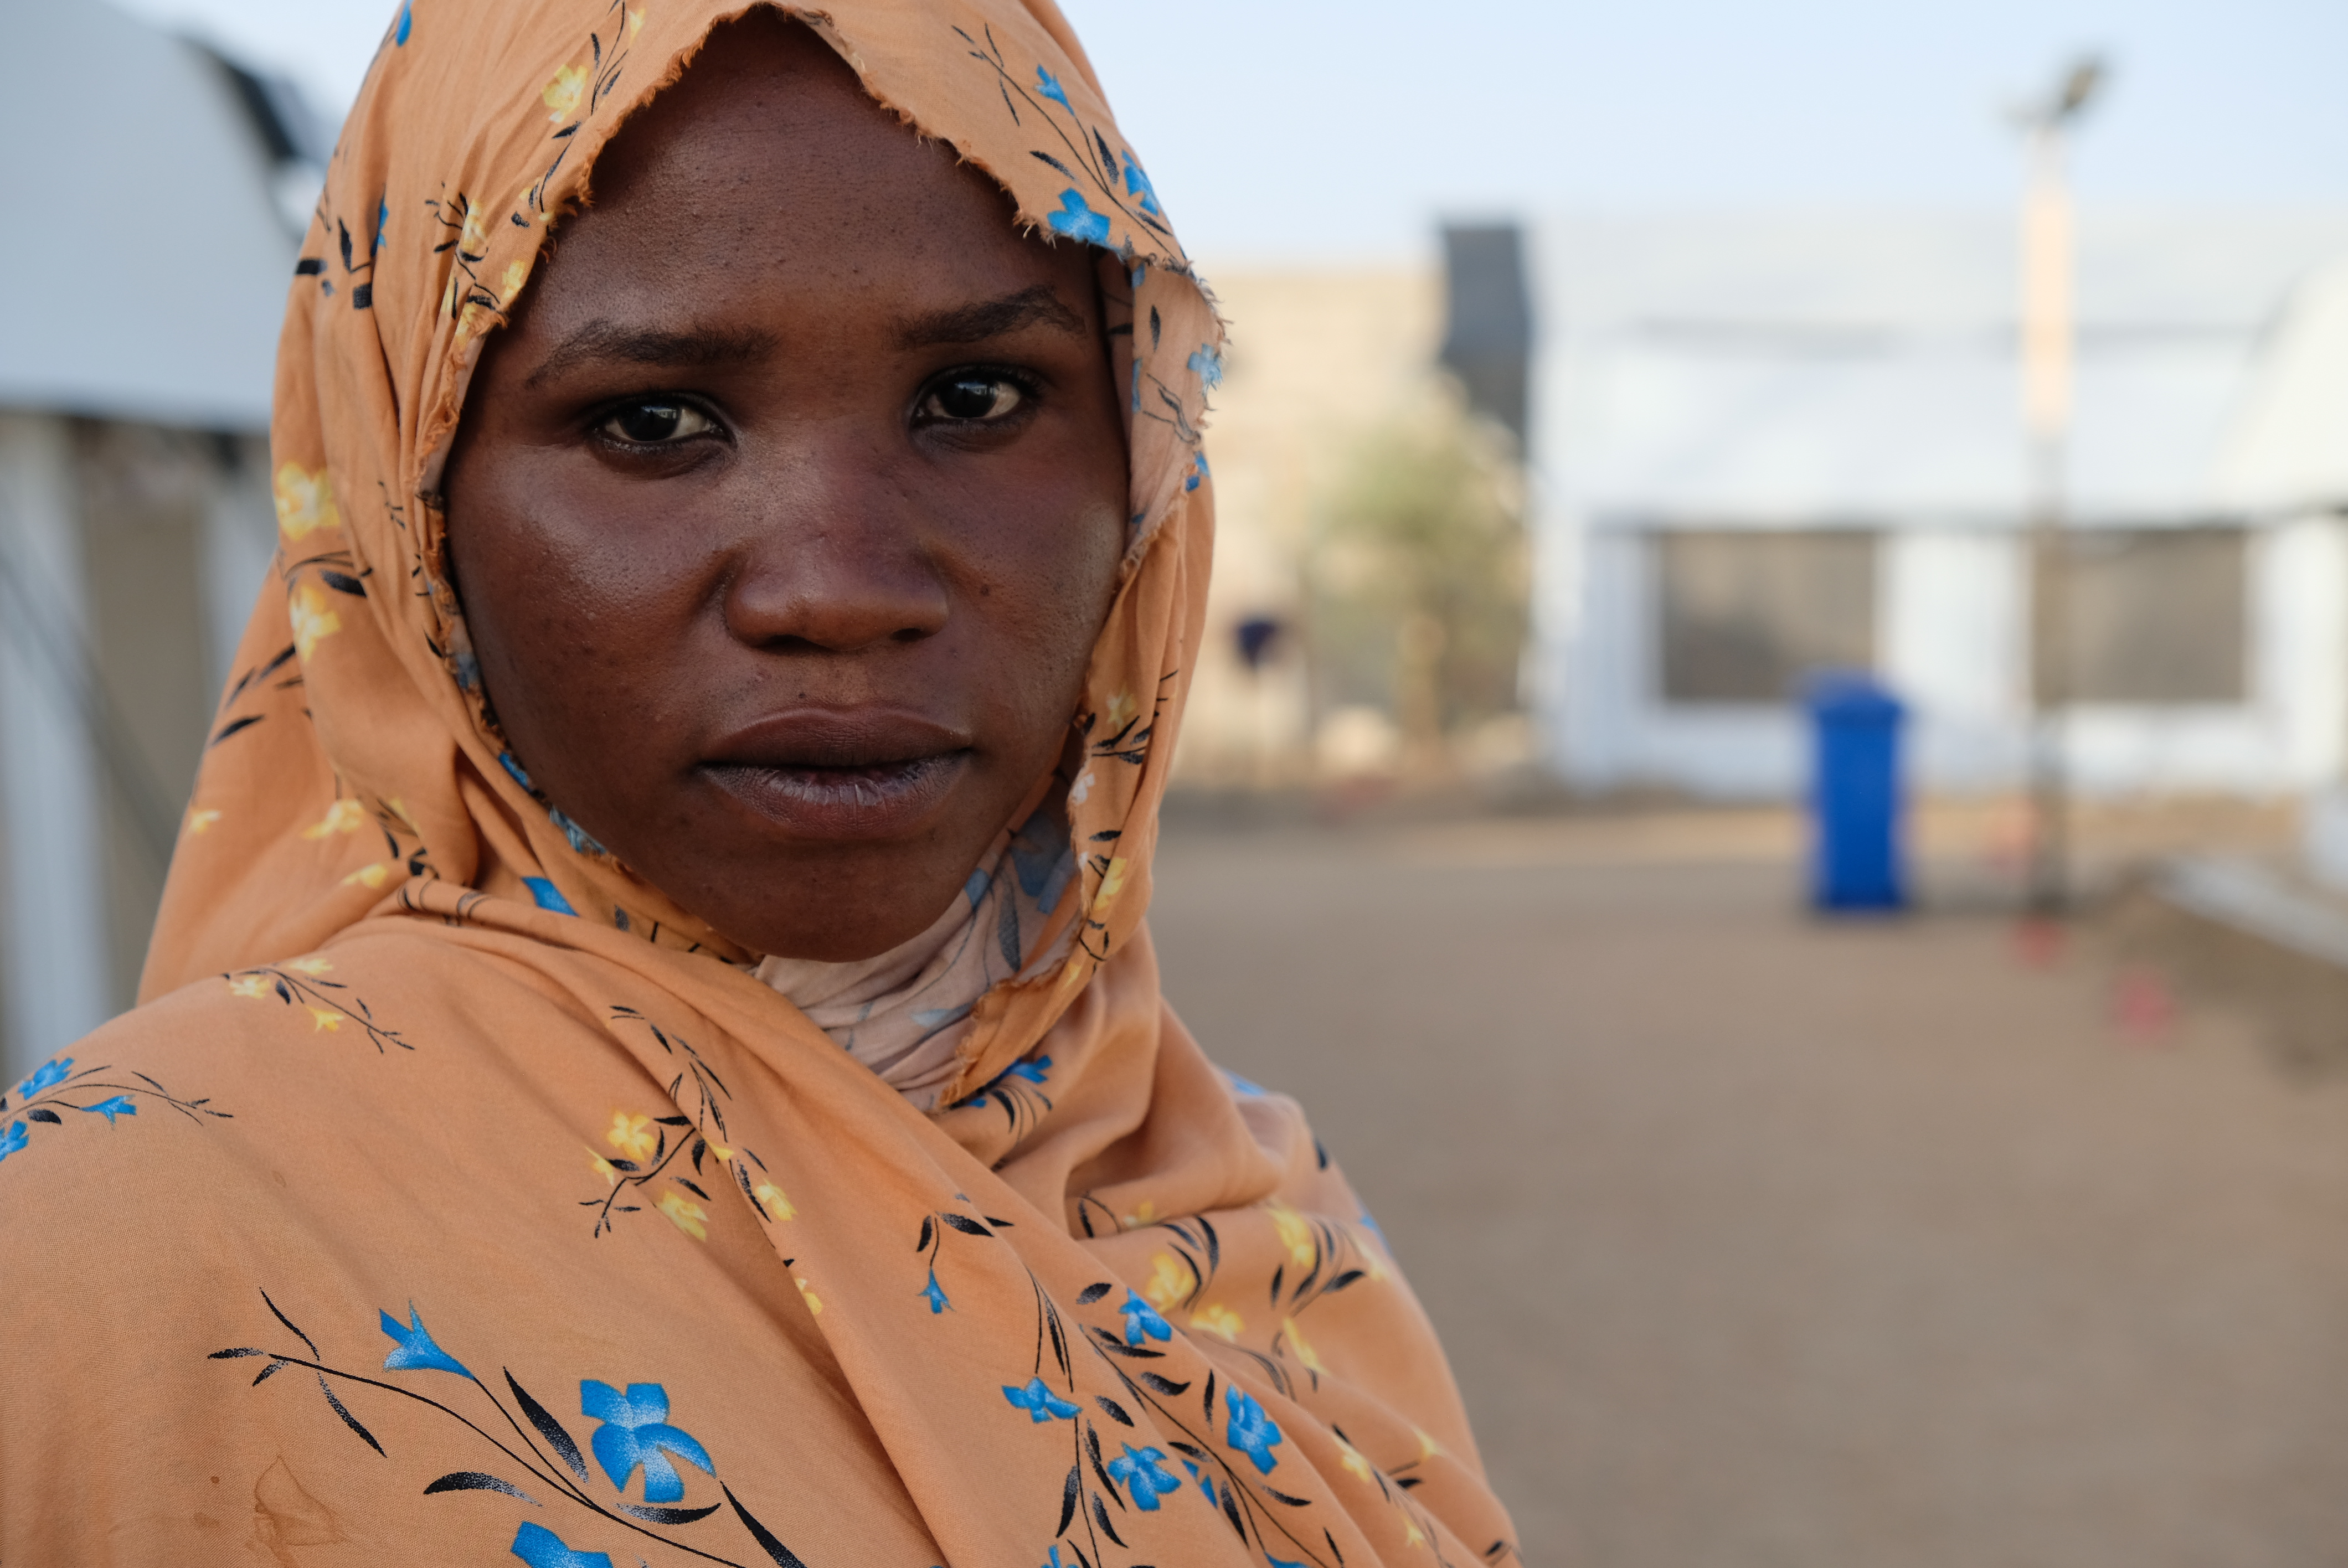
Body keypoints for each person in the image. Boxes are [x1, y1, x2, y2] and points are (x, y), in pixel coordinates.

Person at [0, 3, 1519, 1563]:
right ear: (413, 517)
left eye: (980, 399)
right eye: (652, 423)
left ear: (1141, 457)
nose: (842, 588)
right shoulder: (135, 1235)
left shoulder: (1233, 1208)